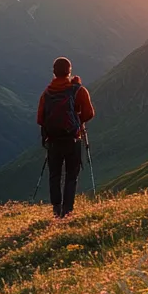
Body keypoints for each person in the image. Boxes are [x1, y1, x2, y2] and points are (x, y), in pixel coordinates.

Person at [37, 57, 95, 219]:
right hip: (72, 139)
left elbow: (40, 118)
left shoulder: (47, 93)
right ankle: (67, 211)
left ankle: (56, 210)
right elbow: (89, 113)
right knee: (71, 175)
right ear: (69, 71)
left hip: (54, 141)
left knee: (54, 175)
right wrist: (78, 121)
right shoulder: (78, 90)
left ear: (54, 72)